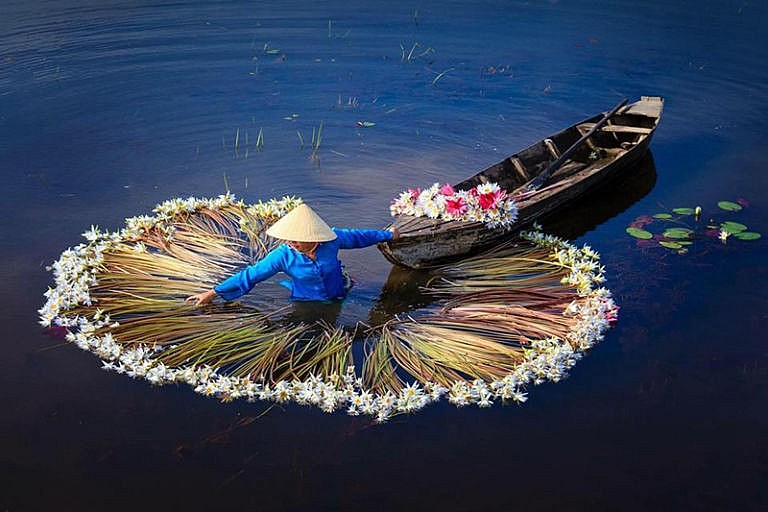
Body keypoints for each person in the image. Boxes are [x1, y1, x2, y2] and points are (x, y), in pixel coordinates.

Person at [186, 203, 399, 305]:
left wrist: (387, 235)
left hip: (339, 292)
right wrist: (212, 293)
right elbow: (251, 275)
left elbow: (359, 237)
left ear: (313, 237)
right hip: (306, 301)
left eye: (296, 239)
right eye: (288, 239)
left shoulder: (332, 240)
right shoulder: (283, 256)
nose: (291, 243)